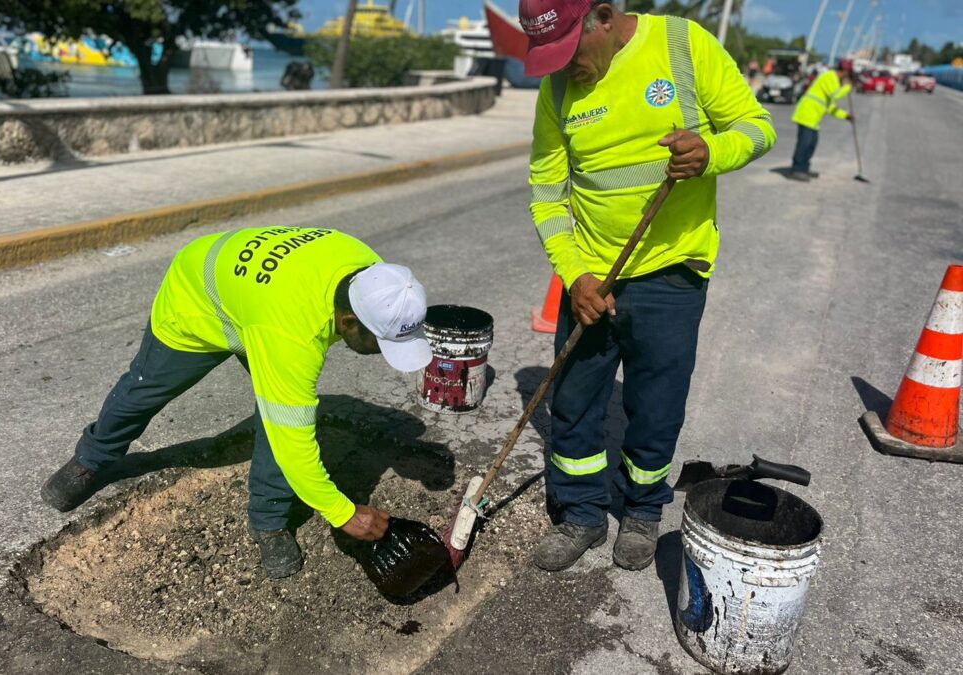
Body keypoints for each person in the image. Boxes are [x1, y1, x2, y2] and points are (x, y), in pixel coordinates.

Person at [519, 0, 776, 572]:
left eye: (570, 51)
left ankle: (641, 509)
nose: (566, 68)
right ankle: (582, 513)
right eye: (551, 58)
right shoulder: (559, 89)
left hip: (670, 273)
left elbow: (759, 130)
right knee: (576, 401)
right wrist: (574, 273)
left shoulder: (684, 46)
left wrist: (713, 151)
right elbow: (547, 190)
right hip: (591, 278)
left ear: (604, 17)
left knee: (656, 403)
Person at [40, 226, 433, 579]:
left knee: (279, 410)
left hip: (258, 304)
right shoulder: (291, 336)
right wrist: (344, 513)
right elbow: (293, 444)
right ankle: (91, 460)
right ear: (348, 321)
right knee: (145, 389)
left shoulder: (375, 277)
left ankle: (269, 519)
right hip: (198, 299)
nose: (382, 354)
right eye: (379, 343)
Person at [786, 60, 854, 181]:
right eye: (848, 74)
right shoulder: (830, 76)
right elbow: (836, 95)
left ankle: (804, 168)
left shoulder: (834, 81)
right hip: (807, 114)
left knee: (812, 144)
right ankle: (797, 169)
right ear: (844, 71)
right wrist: (848, 87)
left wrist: (846, 116)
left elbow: (831, 107)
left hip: (814, 118)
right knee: (804, 144)